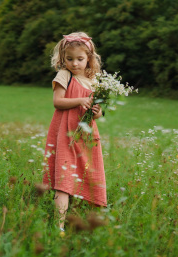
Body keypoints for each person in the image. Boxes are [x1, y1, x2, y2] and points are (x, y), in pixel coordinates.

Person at [42, 32, 107, 232]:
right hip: (65, 134)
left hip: (86, 136)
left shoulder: (94, 80)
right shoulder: (64, 75)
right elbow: (57, 102)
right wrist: (79, 101)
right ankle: (59, 226)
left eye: (80, 59)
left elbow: (99, 111)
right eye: (69, 59)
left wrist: (97, 112)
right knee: (64, 178)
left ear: (89, 58)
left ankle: (89, 223)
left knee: (87, 174)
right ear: (63, 59)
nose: (75, 63)